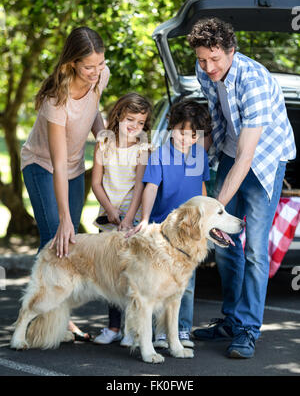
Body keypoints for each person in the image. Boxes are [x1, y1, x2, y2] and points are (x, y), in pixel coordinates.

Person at [188, 17, 296, 358]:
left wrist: (213, 209)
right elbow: (217, 122)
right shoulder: (204, 70)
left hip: (264, 160)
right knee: (223, 245)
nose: (208, 67)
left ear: (231, 50)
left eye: (215, 59)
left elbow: (248, 156)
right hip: (230, 154)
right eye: (203, 59)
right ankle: (232, 319)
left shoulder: (256, 82)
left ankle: (248, 329)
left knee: (254, 250)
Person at [21, 26, 110, 341]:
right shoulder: (55, 100)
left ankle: (57, 317)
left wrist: (103, 135)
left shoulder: (100, 75)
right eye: (89, 67)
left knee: (67, 244)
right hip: (42, 166)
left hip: (74, 167)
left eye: (100, 64)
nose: (96, 72)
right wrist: (67, 220)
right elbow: (56, 162)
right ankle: (37, 321)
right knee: (54, 238)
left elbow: (95, 108)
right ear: (72, 63)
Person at [131, 99, 211, 348]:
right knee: (160, 283)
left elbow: (202, 188)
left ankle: (182, 329)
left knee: (186, 284)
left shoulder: (201, 155)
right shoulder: (160, 155)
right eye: (180, 133)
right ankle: (162, 332)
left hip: (190, 231)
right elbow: (151, 187)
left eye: (192, 135)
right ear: (171, 127)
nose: (186, 139)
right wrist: (144, 219)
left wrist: (207, 220)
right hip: (164, 231)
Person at [91, 92, 152, 346]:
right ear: (117, 116)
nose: (134, 127)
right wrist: (110, 210)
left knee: (131, 276)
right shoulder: (103, 142)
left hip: (132, 218)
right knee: (109, 274)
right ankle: (113, 327)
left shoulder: (143, 147)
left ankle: (131, 330)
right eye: (130, 120)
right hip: (107, 217)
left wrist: (128, 218)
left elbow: (139, 187)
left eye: (140, 123)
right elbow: (96, 183)